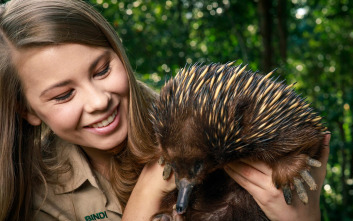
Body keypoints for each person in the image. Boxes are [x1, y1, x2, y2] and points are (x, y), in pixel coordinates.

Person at [0, 0, 330, 220]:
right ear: (26, 110)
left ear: (118, 52)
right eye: (63, 94)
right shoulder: (35, 196)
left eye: (102, 70)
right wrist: (151, 188)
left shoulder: (193, 118)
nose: (99, 101)